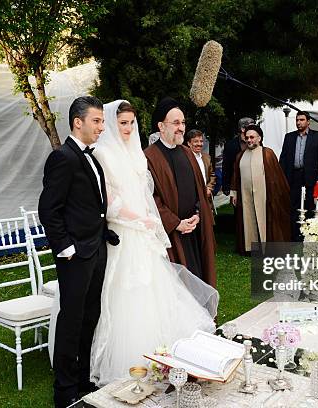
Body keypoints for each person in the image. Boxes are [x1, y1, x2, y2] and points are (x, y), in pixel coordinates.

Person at [89, 100, 217, 386]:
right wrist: (153, 221)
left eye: (132, 122)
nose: (128, 128)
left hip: (150, 231)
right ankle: (132, 356)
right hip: (127, 234)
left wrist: (193, 214)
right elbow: (112, 201)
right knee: (131, 294)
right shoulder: (105, 154)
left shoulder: (139, 153)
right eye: (122, 122)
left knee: (156, 293)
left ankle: (170, 350)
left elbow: (146, 193)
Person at [38, 96, 109, 408]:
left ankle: (82, 379)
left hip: (96, 249)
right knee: (71, 321)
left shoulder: (91, 157)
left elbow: (92, 205)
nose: (101, 127)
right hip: (75, 255)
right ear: (77, 122)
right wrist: (66, 249)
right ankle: (64, 391)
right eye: (96, 121)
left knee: (90, 317)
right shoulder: (63, 158)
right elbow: (48, 210)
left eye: (102, 121)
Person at [144, 97, 216, 286]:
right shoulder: (149, 157)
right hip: (172, 235)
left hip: (194, 230)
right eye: (175, 123)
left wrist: (199, 214)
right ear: (161, 125)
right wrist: (176, 223)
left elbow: (199, 190)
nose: (181, 128)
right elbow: (150, 199)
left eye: (183, 122)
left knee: (199, 280)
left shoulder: (187, 152)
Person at [230, 124, 290, 254]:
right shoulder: (240, 155)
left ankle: (267, 247)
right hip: (245, 195)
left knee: (265, 219)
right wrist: (234, 193)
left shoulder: (267, 153)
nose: (249, 140)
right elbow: (236, 175)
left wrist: (274, 194)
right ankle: (250, 248)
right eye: (247, 138)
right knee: (248, 219)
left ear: (259, 138)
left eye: (252, 137)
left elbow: (276, 176)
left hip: (264, 194)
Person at [279, 112, 318, 240]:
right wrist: (282, 177)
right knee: (293, 206)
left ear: (308, 121)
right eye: (297, 120)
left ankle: (309, 235)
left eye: (302, 120)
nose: (299, 122)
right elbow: (283, 158)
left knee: (310, 206)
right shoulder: (289, 137)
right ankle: (294, 236)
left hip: (310, 177)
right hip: (293, 176)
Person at [185, 129, 216, 222]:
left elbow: (212, 175)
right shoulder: (184, 158)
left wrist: (209, 188)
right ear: (189, 143)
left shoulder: (207, 157)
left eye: (201, 141)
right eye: (196, 141)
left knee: (207, 225)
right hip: (191, 200)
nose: (199, 144)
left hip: (206, 198)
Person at [222, 117, 255, 196]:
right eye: (251, 127)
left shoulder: (256, 142)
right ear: (243, 129)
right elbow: (226, 166)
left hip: (254, 184)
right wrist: (226, 186)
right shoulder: (230, 145)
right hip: (237, 185)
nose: (254, 130)